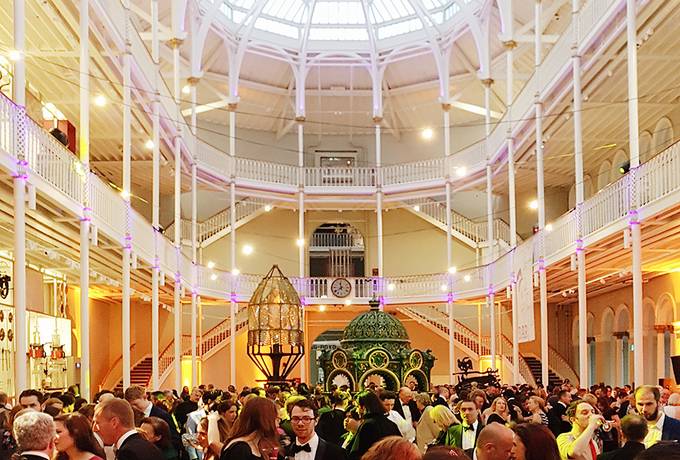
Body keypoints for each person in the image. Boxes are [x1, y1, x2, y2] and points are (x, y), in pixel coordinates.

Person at [93, 398, 165, 460]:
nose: (95, 429)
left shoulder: (128, 453)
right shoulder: (150, 447)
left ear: (114, 423)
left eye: (97, 423)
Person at [348, 391, 401, 460]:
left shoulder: (367, 425)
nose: (357, 411)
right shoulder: (391, 424)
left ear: (364, 407)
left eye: (357, 406)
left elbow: (356, 453)